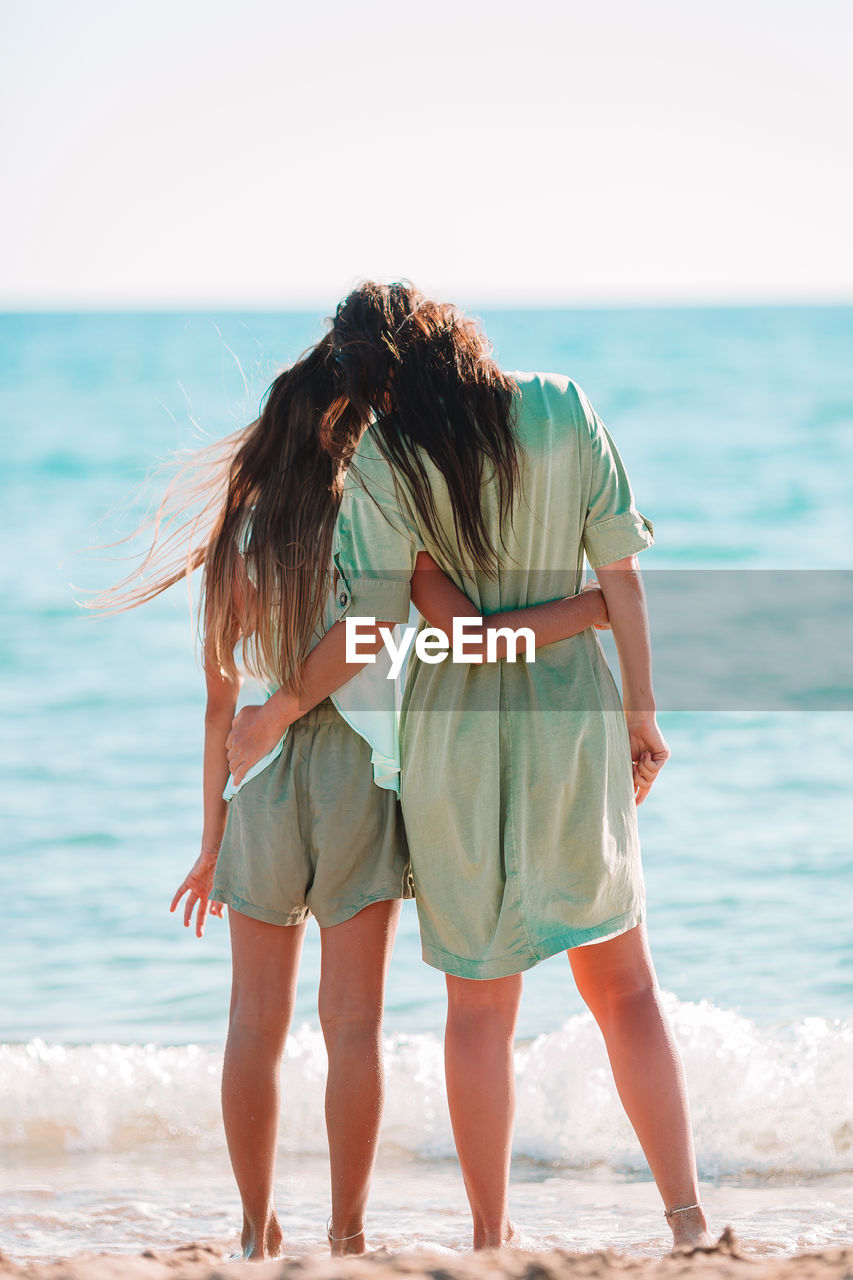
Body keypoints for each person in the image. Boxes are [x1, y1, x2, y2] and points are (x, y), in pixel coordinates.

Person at [91, 330, 613, 1259]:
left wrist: (209, 842)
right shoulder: (374, 520)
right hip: (361, 778)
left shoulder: (233, 550)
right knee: (354, 1027)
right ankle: (347, 1235)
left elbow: (221, 711)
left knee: (252, 1024)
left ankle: (255, 1233)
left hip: (258, 779)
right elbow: (449, 633)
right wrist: (584, 605)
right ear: (349, 432)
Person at [225, 282, 715, 1253]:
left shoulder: (386, 457)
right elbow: (620, 572)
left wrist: (278, 707)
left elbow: (370, 625)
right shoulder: (564, 405)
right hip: (571, 718)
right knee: (624, 984)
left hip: (454, 734)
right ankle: (689, 1221)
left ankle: (491, 1237)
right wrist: (641, 706)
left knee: (478, 1005)